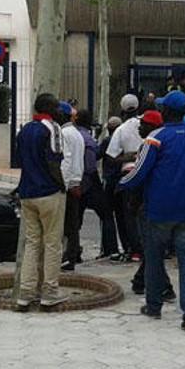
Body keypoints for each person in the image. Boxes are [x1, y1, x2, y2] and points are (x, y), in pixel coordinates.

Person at [120, 90, 185, 334]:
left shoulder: (156, 137)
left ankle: (154, 305)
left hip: (160, 208)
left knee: (153, 257)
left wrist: (122, 184)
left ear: (166, 112)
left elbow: (140, 172)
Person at [14, 94, 70, 311]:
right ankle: (49, 292)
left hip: (27, 193)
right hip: (48, 192)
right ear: (49, 108)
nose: (60, 110)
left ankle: (25, 294)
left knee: (32, 243)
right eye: (56, 106)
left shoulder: (25, 129)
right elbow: (54, 161)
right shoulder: (53, 128)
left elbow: (21, 161)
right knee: (52, 243)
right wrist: (62, 185)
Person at [128, 111, 177, 301]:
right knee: (152, 245)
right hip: (163, 200)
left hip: (149, 202)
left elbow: (141, 176)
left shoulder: (150, 145)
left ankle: (164, 287)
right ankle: (140, 280)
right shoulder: (164, 144)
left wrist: (134, 199)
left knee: (151, 247)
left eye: (144, 124)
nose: (140, 127)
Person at [74, 109, 119, 259]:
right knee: (106, 214)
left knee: (75, 219)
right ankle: (111, 249)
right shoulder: (88, 139)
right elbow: (91, 165)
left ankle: (73, 252)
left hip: (75, 180)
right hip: (89, 181)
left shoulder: (72, 135)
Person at [107, 94, 145, 262]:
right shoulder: (147, 124)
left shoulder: (121, 130)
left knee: (129, 214)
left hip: (128, 174)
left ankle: (134, 249)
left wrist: (128, 157)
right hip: (147, 173)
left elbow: (111, 156)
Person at [60, 102, 85, 271]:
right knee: (72, 223)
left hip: (68, 183)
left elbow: (66, 160)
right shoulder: (77, 133)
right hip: (76, 181)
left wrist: (63, 183)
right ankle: (72, 255)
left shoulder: (63, 133)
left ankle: (68, 257)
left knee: (65, 224)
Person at [98, 116, 124, 258]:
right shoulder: (123, 138)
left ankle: (110, 248)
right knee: (121, 215)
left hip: (110, 180)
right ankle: (126, 246)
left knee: (107, 215)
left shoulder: (108, 141)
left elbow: (97, 154)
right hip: (121, 180)